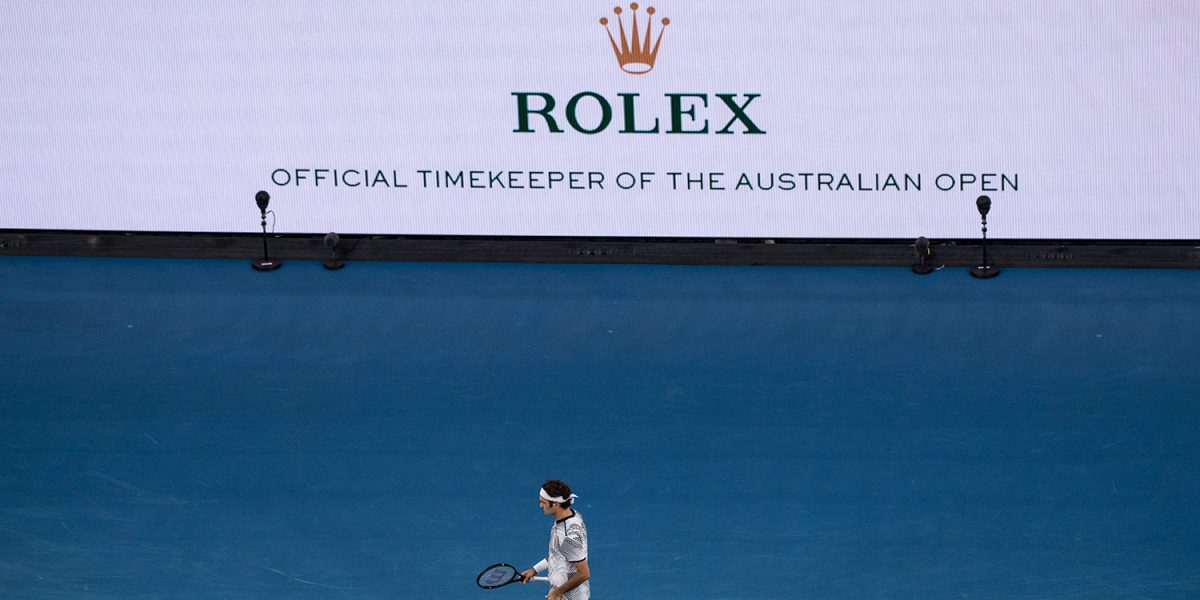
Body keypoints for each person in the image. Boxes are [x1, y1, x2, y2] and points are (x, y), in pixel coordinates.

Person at [520, 480, 590, 600]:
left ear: (556, 504)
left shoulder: (568, 536)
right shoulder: (571, 515)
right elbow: (559, 554)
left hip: (569, 596)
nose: (540, 505)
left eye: (543, 502)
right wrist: (535, 569)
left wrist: (557, 592)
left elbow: (583, 574)